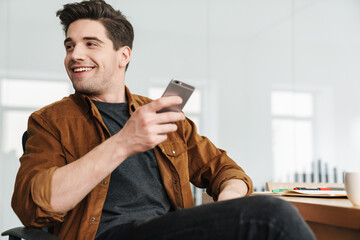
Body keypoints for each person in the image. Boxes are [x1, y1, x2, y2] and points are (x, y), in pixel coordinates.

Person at [11, 0, 315, 239]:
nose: (74, 54)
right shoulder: (50, 121)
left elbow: (226, 170)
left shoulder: (156, 114)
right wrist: (124, 142)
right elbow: (35, 206)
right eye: (69, 45)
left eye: (90, 44)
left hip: (171, 230)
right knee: (271, 217)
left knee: (261, 220)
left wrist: (227, 205)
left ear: (123, 55)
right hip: (109, 236)